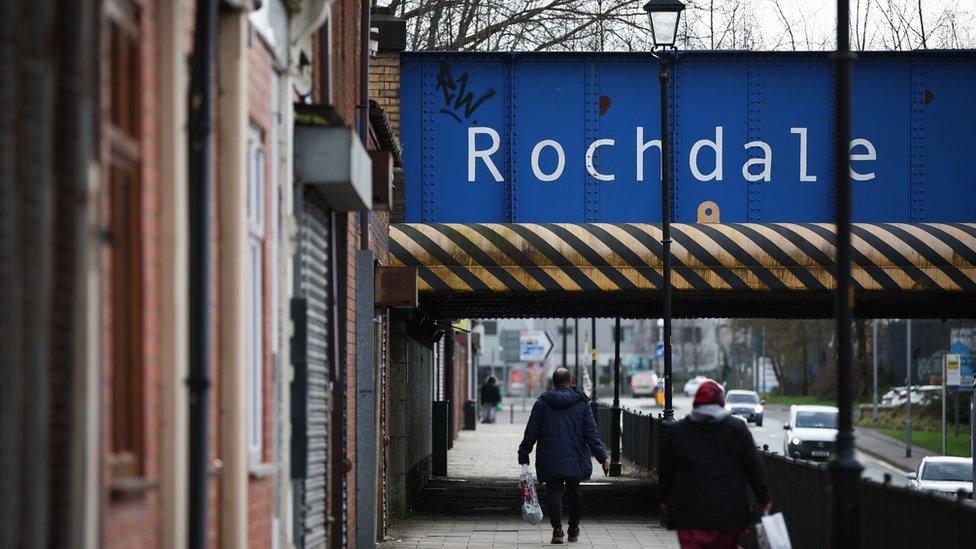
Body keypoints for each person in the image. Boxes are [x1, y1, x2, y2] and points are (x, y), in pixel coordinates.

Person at [661, 380, 771, 549]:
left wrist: (665, 499)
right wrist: (763, 498)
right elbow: (753, 466)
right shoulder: (737, 428)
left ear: (696, 402)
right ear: (721, 402)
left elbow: (668, 469)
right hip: (728, 511)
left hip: (689, 511)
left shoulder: (679, 431)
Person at [518, 368, 610, 544]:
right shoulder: (582, 403)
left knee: (554, 491)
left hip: (550, 455)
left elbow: (531, 432)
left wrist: (524, 454)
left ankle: (557, 531)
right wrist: (602, 457)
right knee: (575, 491)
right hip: (575, 455)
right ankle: (574, 529)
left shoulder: (542, 403)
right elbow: (592, 434)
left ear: (554, 383)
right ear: (571, 381)